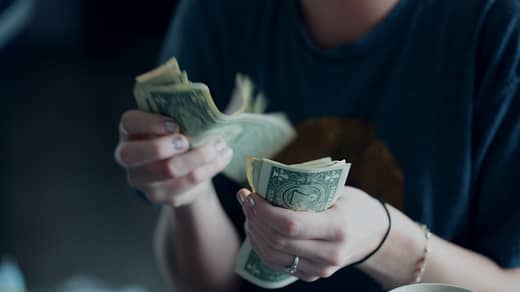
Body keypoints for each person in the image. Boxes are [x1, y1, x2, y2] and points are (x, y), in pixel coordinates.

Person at [114, 0, 520, 291]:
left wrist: (385, 241)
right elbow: (209, 284)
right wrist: (188, 194)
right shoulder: (218, 12)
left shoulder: (501, 27)